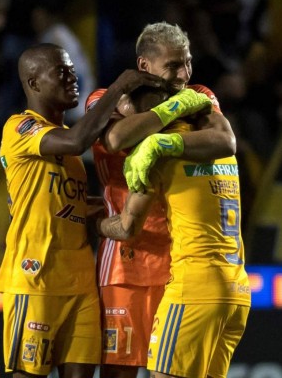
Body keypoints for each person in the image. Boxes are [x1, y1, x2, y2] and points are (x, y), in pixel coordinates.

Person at [0, 42, 166, 378]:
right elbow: (77, 140)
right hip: (35, 277)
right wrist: (118, 88)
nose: (72, 76)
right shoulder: (19, 129)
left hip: (81, 281)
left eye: (73, 70)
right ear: (33, 83)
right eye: (61, 71)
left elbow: (68, 205)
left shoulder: (71, 157)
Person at [85, 22, 236, 378]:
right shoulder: (101, 99)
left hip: (178, 260)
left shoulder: (200, 93)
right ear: (144, 66)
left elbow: (224, 141)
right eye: (173, 66)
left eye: (187, 63)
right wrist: (173, 112)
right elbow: (117, 138)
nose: (183, 75)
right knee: (120, 372)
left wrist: (160, 137)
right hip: (125, 259)